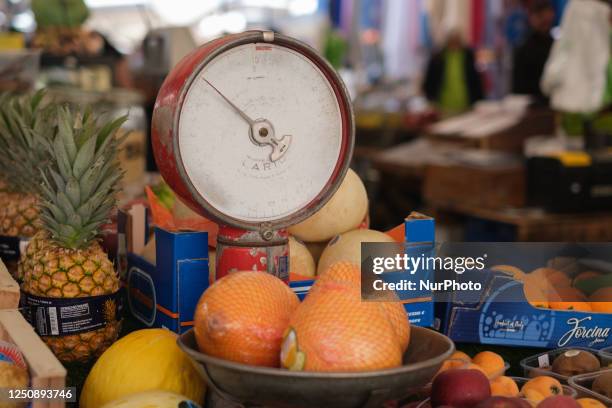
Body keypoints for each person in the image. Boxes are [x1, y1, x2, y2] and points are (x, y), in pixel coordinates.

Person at [423, 30, 483, 115]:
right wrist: (431, 100)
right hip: (443, 105)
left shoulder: (467, 55)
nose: (454, 44)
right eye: (452, 40)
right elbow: (430, 79)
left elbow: (475, 79)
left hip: (466, 104)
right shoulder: (438, 57)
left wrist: (478, 99)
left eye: (457, 40)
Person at [512, 0, 555, 103]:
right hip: (533, 105)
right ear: (531, 18)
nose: (544, 20)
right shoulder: (524, 49)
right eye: (540, 16)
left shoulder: (556, 45)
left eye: (546, 15)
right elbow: (518, 88)